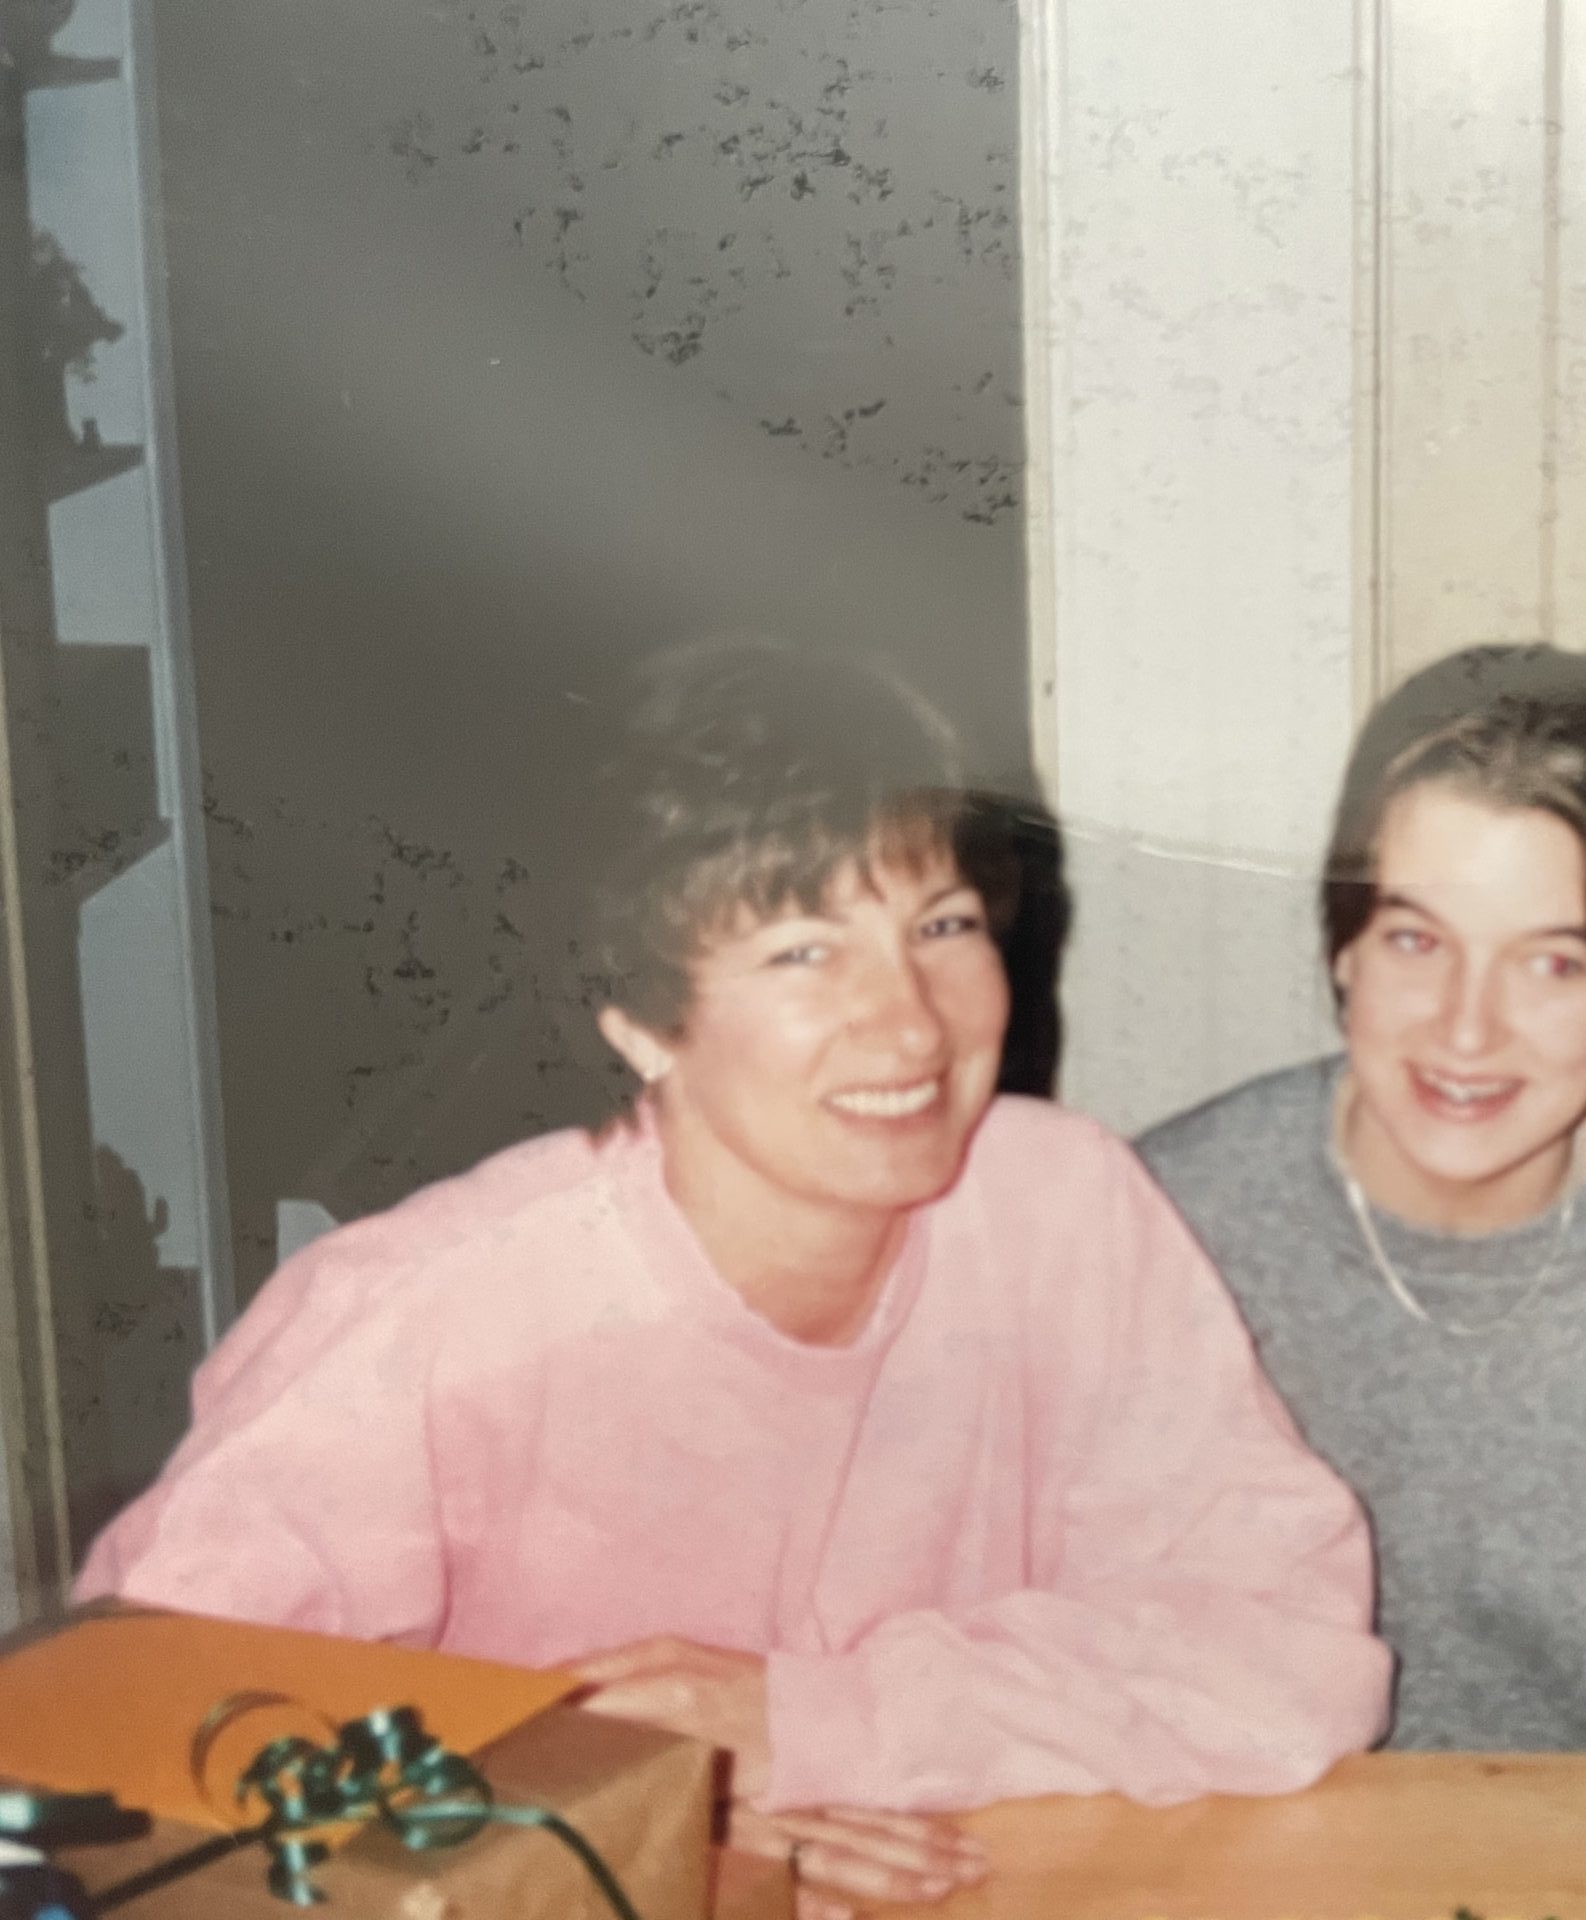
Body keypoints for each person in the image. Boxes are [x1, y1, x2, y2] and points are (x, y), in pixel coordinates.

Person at [80, 635, 1390, 1913]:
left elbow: (1290, 1649)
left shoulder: (1064, 1209)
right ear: (641, 1022)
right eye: (802, 951)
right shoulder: (434, 1312)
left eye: (942, 925)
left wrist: (812, 1724)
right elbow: (125, 1714)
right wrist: (614, 1816)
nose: (911, 1022)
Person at [1140, 643, 1586, 1752]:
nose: (1465, 1028)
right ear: (1344, 950)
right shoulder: (1163, 1221)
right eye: (1415, 941)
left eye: (1550, 963)